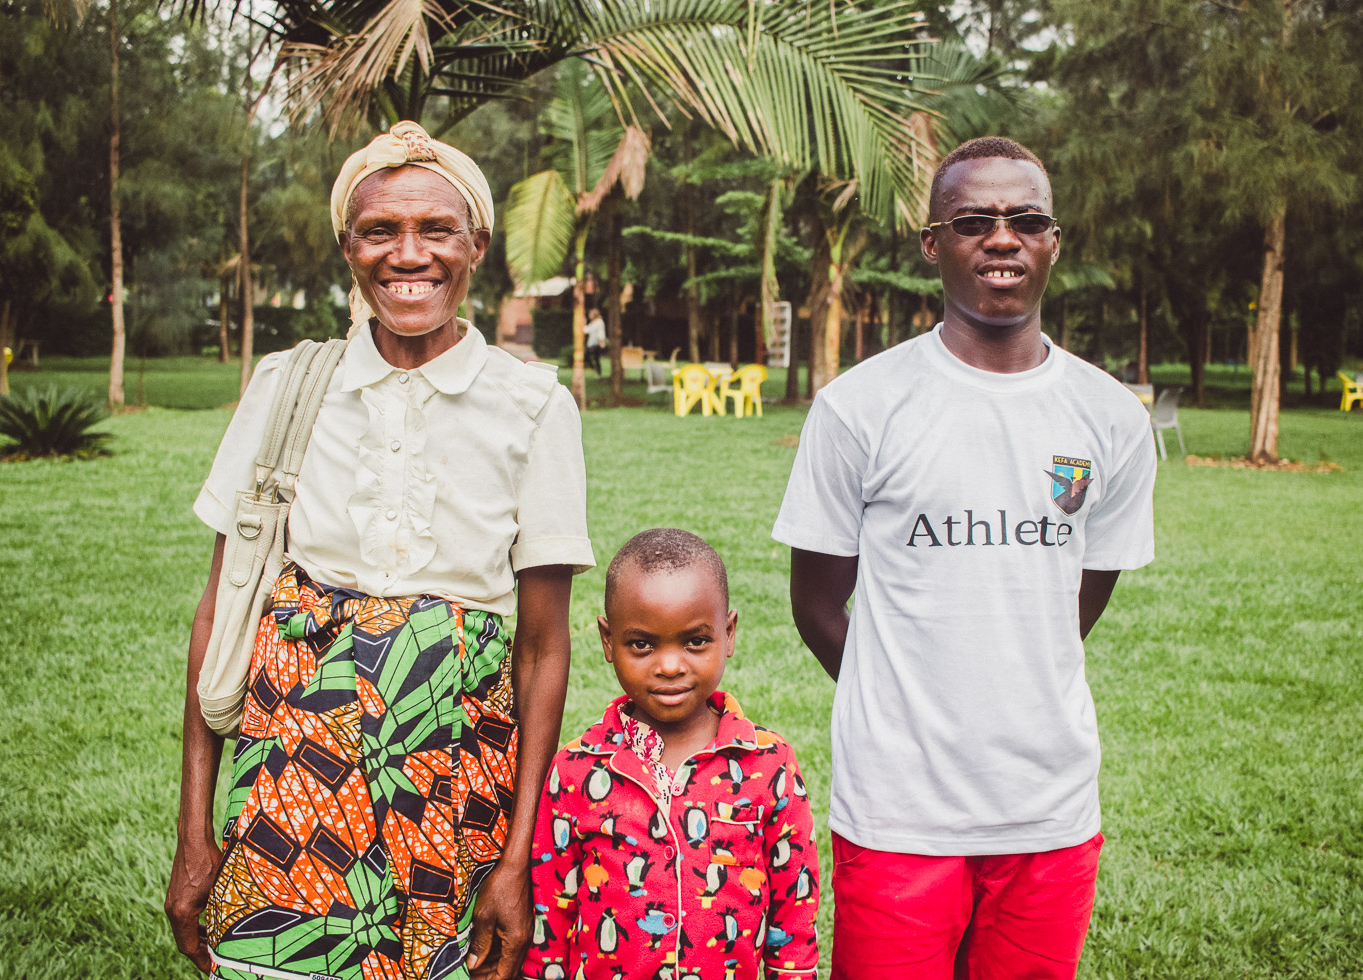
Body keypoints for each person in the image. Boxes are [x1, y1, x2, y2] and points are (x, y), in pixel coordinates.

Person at [164, 120, 595, 980]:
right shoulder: (288, 386)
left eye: (437, 230)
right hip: (290, 767)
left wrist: (515, 862)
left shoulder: (535, 407)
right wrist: (193, 833)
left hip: (456, 781)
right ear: (347, 248)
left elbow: (544, 647)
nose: (409, 255)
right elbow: (222, 608)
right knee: (273, 964)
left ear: (476, 245)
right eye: (379, 231)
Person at [772, 137, 1157, 980]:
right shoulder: (859, 409)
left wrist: (1006, 676)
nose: (1002, 237)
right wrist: (904, 691)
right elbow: (815, 605)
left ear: (1054, 240)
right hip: (898, 809)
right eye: (974, 219)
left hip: (1048, 808)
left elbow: (1077, 602)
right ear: (932, 243)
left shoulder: (1110, 418)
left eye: (1026, 219)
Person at [522, 528, 820, 980]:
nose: (669, 665)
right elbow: (551, 920)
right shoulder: (577, 771)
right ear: (607, 640)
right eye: (641, 644)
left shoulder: (768, 765)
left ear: (729, 632)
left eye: (695, 641)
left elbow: (793, 920)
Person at [584, 309, 607, 376]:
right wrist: (583, 324)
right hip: (591, 343)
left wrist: (602, 341)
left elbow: (601, 332)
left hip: (596, 343)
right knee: (588, 357)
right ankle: (595, 370)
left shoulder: (599, 322)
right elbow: (586, 330)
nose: (589, 315)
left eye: (590, 314)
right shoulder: (592, 323)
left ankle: (598, 372)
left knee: (596, 358)